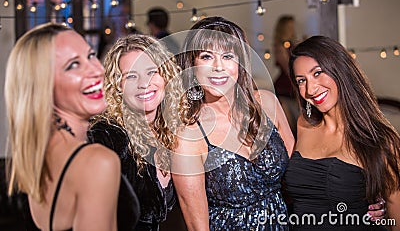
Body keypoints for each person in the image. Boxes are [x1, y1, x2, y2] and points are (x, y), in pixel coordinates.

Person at [5, 22, 139, 231]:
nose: (96, 70)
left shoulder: (37, 157)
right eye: (73, 65)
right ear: (43, 86)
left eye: (91, 55)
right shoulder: (96, 162)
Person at [172, 16, 295, 230]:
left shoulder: (267, 103)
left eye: (228, 56)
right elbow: (196, 225)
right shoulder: (189, 137)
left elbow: (299, 174)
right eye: (207, 56)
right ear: (192, 65)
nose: (218, 67)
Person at [284, 35, 400, 230]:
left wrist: (382, 208)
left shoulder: (381, 140)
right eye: (301, 80)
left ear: (340, 71)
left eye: (318, 73)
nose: (311, 89)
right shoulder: (304, 124)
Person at [87, 34, 188, 231]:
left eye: (152, 72)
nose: (144, 83)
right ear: (118, 86)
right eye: (131, 76)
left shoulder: (177, 130)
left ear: (166, 75)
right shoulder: (106, 137)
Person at [272, 15, 299, 136]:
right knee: (288, 122)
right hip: (285, 85)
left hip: (290, 83)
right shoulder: (280, 47)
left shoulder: (291, 44)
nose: (293, 29)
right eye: (290, 27)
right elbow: (288, 68)